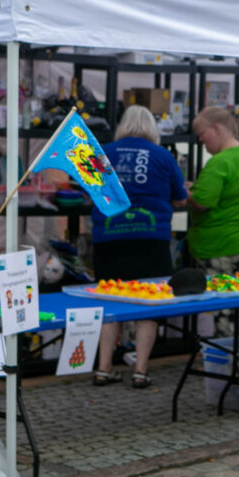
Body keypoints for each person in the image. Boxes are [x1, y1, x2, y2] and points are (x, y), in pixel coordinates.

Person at [91, 106, 187, 388]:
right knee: (149, 301)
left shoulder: (103, 152)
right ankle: (141, 371)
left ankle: (104, 367)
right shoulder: (162, 156)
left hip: (109, 237)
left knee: (110, 300)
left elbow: (90, 189)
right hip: (151, 238)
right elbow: (180, 198)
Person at [187, 106, 239, 336]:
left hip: (220, 246)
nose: (201, 141)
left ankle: (223, 358)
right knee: (237, 305)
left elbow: (203, 201)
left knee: (223, 309)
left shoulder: (220, 162)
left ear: (217, 128)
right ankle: (235, 353)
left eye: (203, 134)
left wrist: (187, 194)